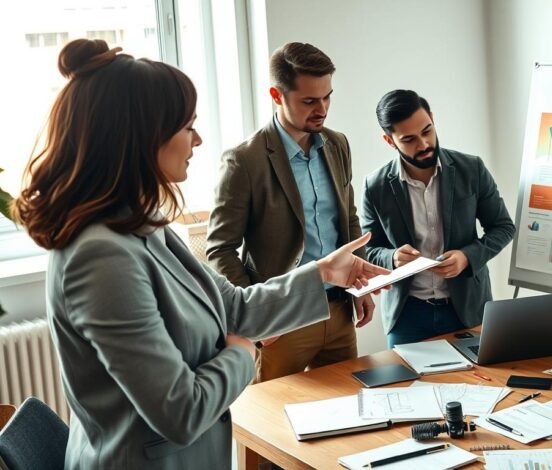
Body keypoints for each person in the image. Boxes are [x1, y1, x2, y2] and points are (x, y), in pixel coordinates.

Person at [12, 38, 387, 469]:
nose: (199, 138)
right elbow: (180, 410)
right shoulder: (99, 256)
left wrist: (323, 272)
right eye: (188, 126)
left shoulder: (145, 223)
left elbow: (230, 305)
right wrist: (243, 355)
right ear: (142, 138)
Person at [207, 42, 373, 382]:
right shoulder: (244, 160)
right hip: (281, 321)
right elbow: (220, 249)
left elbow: (349, 220)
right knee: (274, 424)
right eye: (309, 101)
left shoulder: (338, 144)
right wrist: (255, 315)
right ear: (276, 94)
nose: (322, 108)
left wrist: (362, 287)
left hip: (339, 311)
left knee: (352, 413)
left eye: (327, 97)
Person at [362, 89, 516, 347]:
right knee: (406, 387)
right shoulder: (375, 186)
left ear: (432, 118)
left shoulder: (472, 169)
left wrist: (467, 257)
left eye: (427, 131)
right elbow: (367, 248)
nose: (423, 144)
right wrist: (392, 258)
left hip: (467, 310)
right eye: (409, 139)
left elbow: (503, 227)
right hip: (407, 315)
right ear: (390, 141)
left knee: (482, 384)